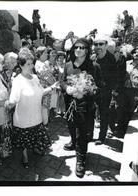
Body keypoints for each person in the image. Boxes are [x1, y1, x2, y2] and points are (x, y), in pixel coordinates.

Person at [5, 48, 59, 169]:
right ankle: (25, 157)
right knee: (24, 140)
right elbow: (13, 100)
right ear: (21, 65)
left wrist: (52, 88)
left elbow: (41, 92)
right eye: (28, 64)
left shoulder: (35, 77)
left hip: (36, 116)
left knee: (36, 136)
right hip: (23, 118)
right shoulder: (18, 80)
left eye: (32, 63)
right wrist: (7, 104)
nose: (31, 66)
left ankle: (36, 150)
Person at [61, 38, 99, 178]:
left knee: (82, 132)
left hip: (85, 105)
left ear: (87, 50)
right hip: (70, 103)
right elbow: (62, 81)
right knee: (71, 125)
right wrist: (67, 88)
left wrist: (85, 91)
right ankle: (73, 142)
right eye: (76, 47)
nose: (78, 50)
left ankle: (81, 160)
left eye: (82, 47)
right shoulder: (68, 65)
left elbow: (98, 87)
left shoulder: (93, 66)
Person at [93, 34, 118, 145]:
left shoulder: (111, 58)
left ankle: (101, 137)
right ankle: (89, 134)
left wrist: (112, 90)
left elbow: (115, 76)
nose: (98, 46)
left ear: (106, 45)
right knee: (90, 113)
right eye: (96, 44)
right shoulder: (93, 58)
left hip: (105, 92)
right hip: (92, 90)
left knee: (104, 114)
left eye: (101, 44)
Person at [34, 46, 56, 127]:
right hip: (44, 89)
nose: (47, 54)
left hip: (46, 88)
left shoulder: (42, 63)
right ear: (40, 54)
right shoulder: (40, 64)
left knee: (46, 107)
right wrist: (55, 84)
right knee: (44, 108)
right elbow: (47, 77)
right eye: (45, 53)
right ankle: (44, 126)